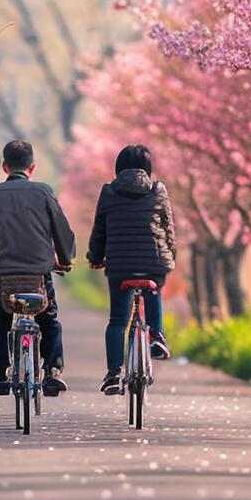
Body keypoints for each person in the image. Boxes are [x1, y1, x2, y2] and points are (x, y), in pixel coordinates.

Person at [0, 139, 76, 396]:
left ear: (4, 166)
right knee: (49, 319)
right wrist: (65, 257)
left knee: (1, 320)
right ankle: (53, 371)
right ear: (33, 167)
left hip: (6, 272)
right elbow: (62, 230)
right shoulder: (44, 192)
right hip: (39, 271)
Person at [86, 143, 175, 394]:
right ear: (148, 167)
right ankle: (156, 336)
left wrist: (95, 256)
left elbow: (99, 230)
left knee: (117, 321)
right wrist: (170, 259)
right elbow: (168, 230)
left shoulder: (108, 192)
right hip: (153, 264)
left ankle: (114, 374)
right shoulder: (158, 190)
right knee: (154, 289)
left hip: (120, 265)